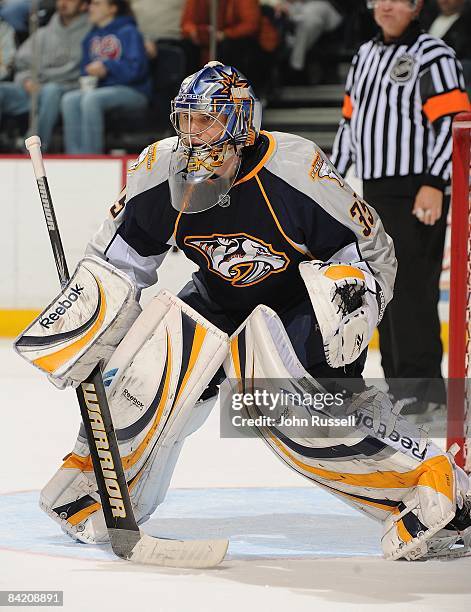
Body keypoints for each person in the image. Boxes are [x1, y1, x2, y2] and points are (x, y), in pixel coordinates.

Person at [19, 62, 471, 562]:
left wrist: (354, 303)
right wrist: (89, 317)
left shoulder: (297, 171)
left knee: (288, 407)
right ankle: (92, 485)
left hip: (297, 306)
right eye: (185, 120)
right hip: (217, 299)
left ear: (239, 124)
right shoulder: (158, 168)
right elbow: (119, 261)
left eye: (206, 121)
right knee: (149, 377)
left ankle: (435, 491)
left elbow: (369, 250)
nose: (192, 134)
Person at [331, 0, 471, 414]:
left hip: (417, 189)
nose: (386, 6)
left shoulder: (434, 54)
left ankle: (423, 389)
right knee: (384, 287)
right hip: (372, 190)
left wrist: (435, 183)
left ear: (415, 7)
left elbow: (453, 123)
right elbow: (349, 123)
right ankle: (399, 384)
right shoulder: (364, 55)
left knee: (413, 286)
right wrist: (332, 183)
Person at [60, 0, 151, 154]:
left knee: (91, 99)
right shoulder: (91, 35)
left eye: (96, 4)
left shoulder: (129, 31)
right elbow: (85, 69)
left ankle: (90, 157)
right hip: (101, 89)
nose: (90, 8)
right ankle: (74, 157)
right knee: (69, 99)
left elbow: (137, 70)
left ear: (112, 9)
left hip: (133, 91)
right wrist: (89, 74)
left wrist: (108, 67)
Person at [0, 0, 89, 151]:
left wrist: (44, 82)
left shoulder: (90, 33)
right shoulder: (43, 33)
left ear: (83, 5)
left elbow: (80, 72)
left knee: (51, 91)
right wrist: (27, 79)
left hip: (65, 89)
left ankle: (34, 151)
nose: (63, 3)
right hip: (32, 90)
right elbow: (22, 64)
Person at [181, 0, 261, 79]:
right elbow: (187, 22)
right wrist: (194, 32)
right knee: (186, 47)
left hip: (233, 41)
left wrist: (225, 34)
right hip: (206, 40)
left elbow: (250, 25)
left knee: (230, 47)